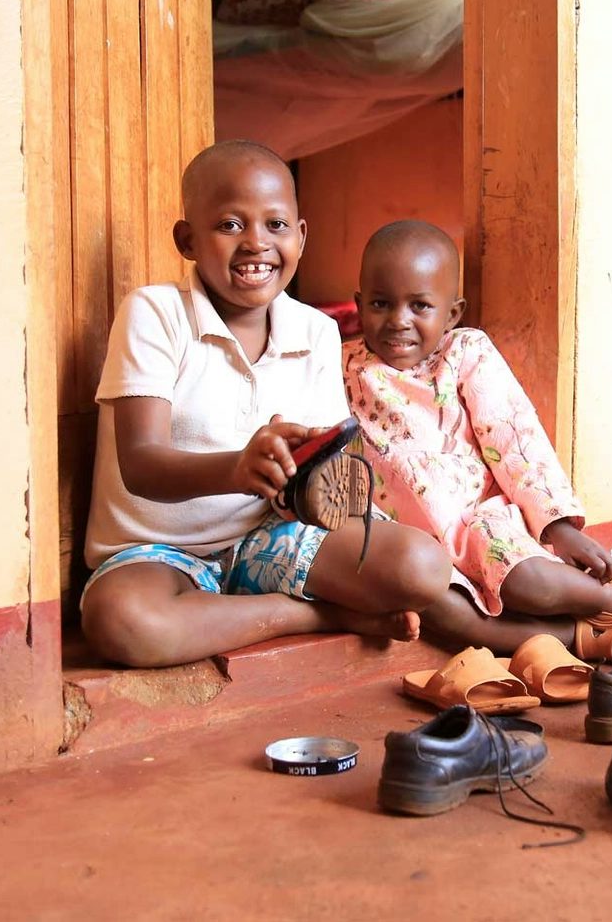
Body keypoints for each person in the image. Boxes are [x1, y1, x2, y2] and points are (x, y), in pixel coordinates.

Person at [80, 143, 452, 667]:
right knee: (121, 622)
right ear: (187, 240)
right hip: (158, 553)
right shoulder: (155, 313)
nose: (256, 242)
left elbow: (321, 488)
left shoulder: (316, 330)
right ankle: (307, 614)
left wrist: (302, 471)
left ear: (300, 236)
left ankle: (229, 612)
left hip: (266, 537)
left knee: (422, 567)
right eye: (230, 225)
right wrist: (237, 468)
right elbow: (140, 465)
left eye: (276, 225)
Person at [344, 221, 612, 659]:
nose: (399, 320)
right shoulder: (342, 366)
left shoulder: (464, 353)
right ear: (359, 305)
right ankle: (580, 637)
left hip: (479, 519)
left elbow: (514, 436)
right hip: (413, 545)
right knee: (446, 616)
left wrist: (557, 526)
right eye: (381, 304)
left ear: (453, 314)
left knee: (529, 582)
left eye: (420, 305)